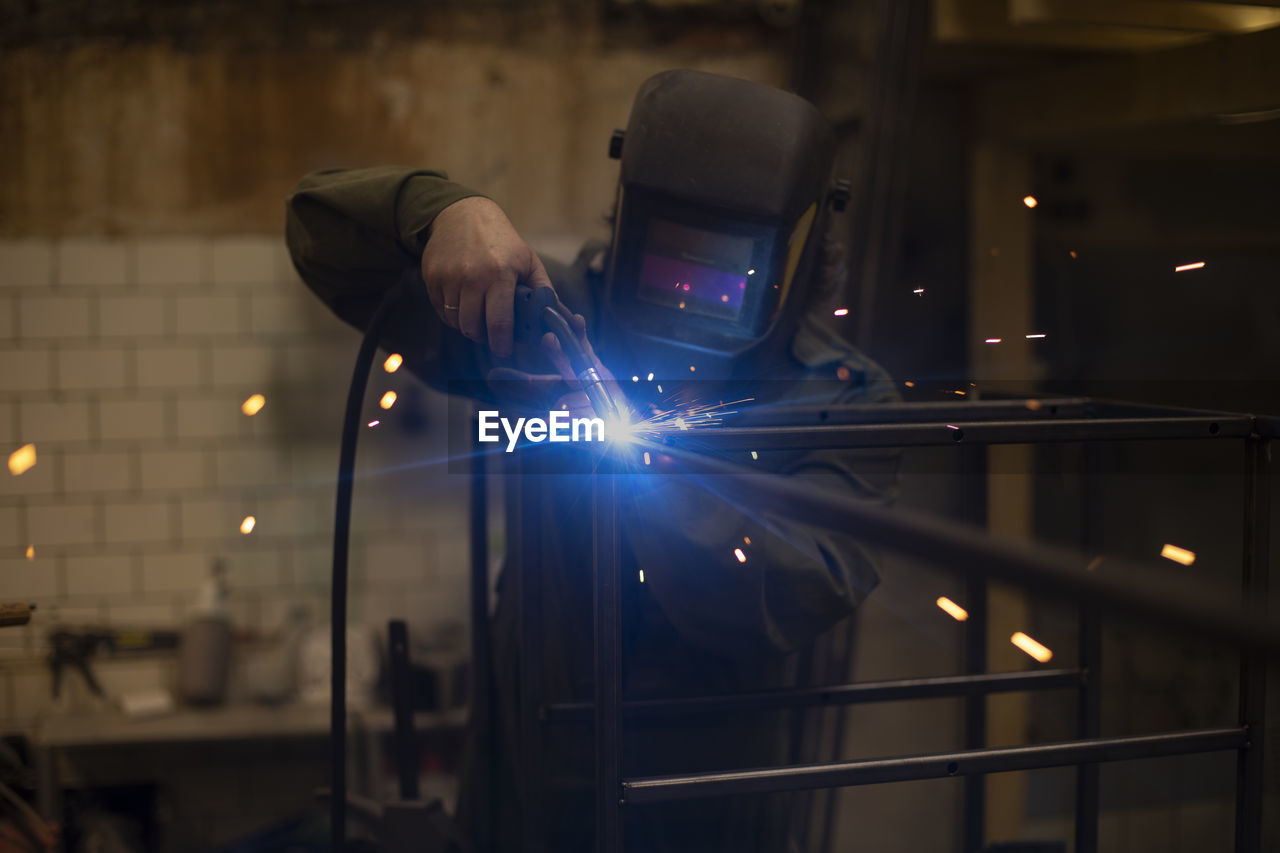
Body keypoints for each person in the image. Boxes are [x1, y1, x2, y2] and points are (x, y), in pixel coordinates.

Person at [287, 70, 899, 852]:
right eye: (669, 262)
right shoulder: (557, 317)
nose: (687, 302)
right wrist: (443, 212)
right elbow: (318, 227)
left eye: (722, 273)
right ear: (631, 221)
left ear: (797, 250)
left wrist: (647, 476)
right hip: (532, 767)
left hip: (721, 791)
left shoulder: (842, 398)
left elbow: (789, 585)